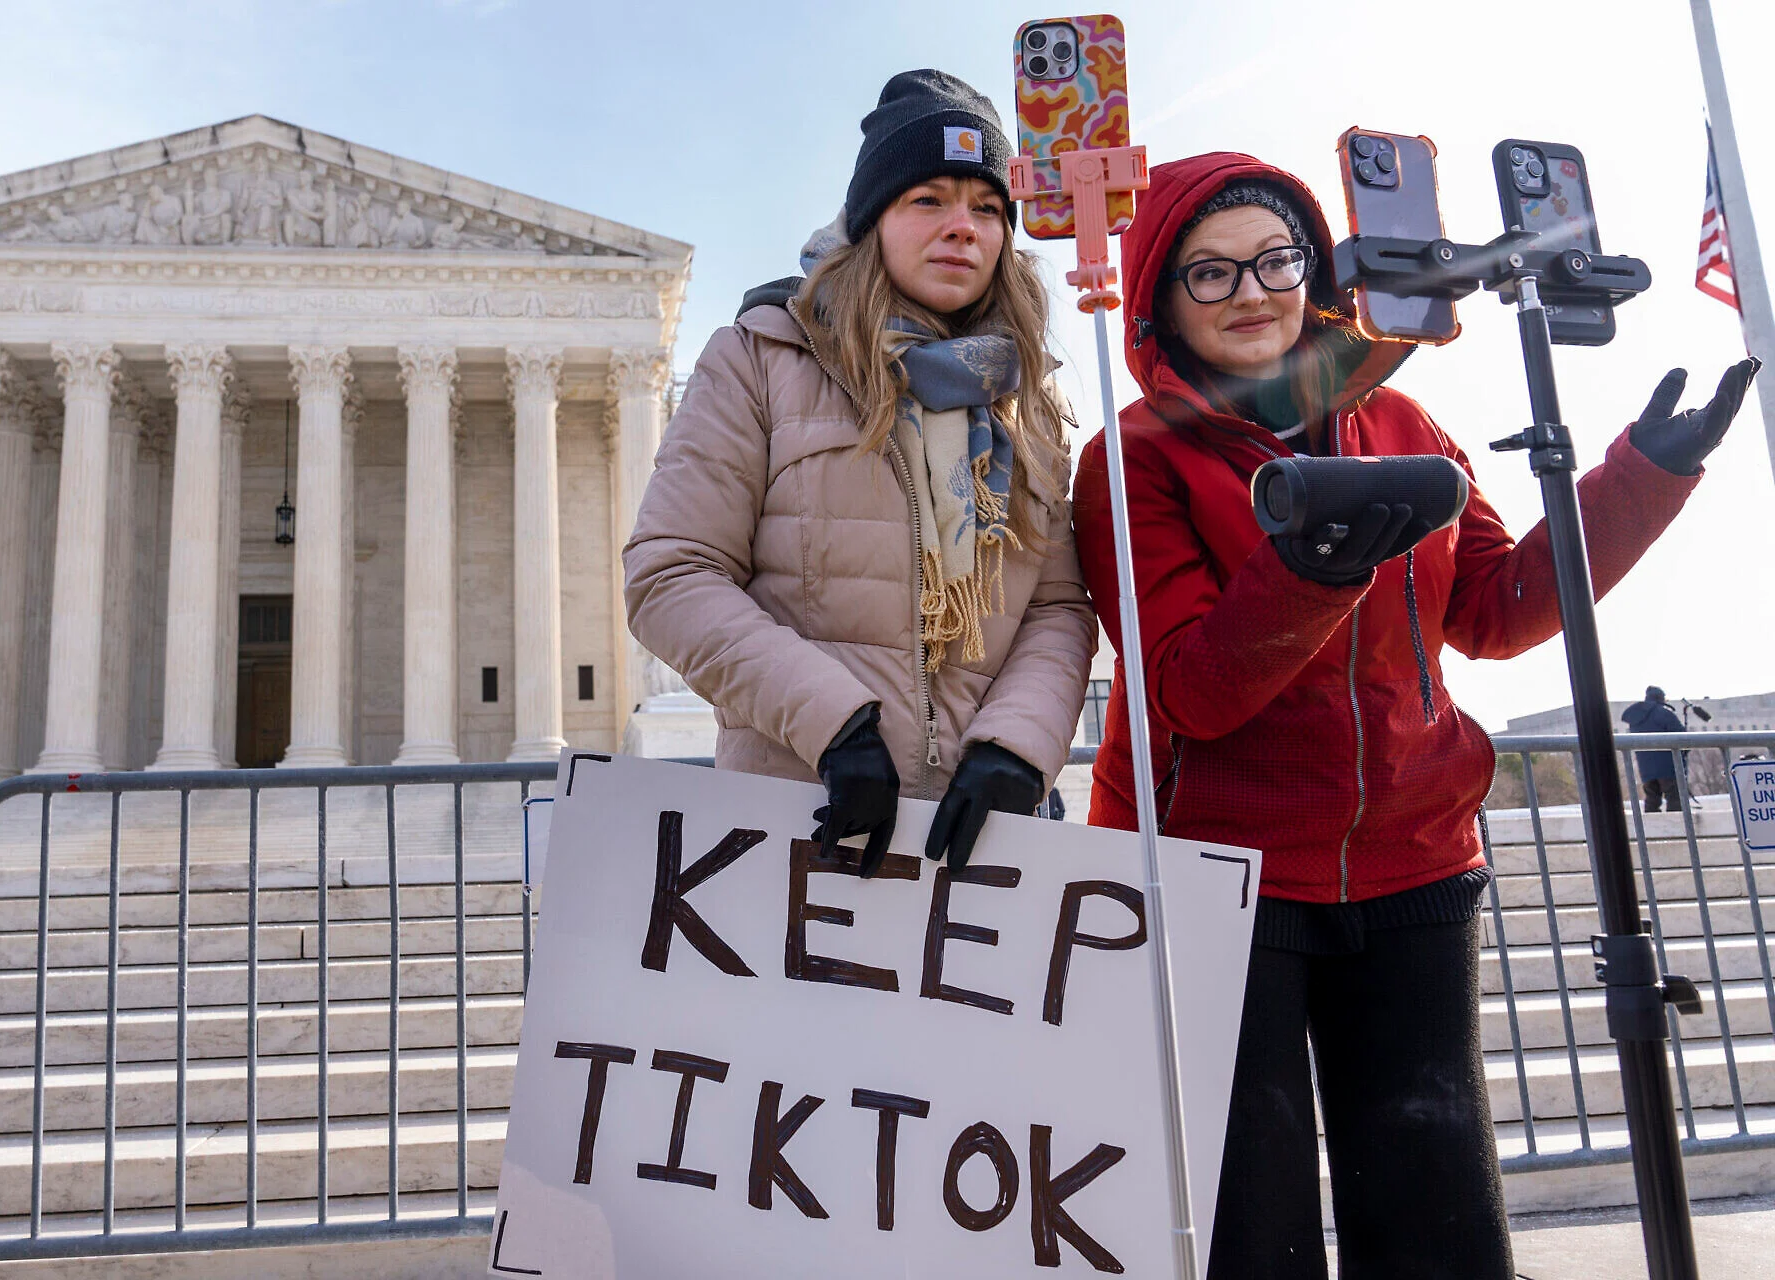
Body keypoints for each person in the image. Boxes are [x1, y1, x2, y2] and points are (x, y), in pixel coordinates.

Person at [1074, 152, 1758, 1279]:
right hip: (1219, 880)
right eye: (1206, 273)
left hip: (1415, 862)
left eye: (1272, 258)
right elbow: (1188, 689)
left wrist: (1639, 477)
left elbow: (1496, 610)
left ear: (1311, 269)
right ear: (1155, 297)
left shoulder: (1397, 415)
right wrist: (1314, 563)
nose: (1249, 292)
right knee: (1254, 1229)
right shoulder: (1132, 458)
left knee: (1436, 1223)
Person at [625, 69, 1096, 873]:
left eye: (987, 208)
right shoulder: (761, 358)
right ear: (872, 220)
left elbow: (1057, 608)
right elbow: (672, 576)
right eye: (928, 200)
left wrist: (1018, 747)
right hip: (801, 819)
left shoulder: (1025, 400)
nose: (963, 227)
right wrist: (835, 724)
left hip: (984, 846)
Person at [1623, 685, 1688, 811]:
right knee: (1675, 798)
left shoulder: (1636, 717)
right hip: (1668, 766)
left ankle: (1651, 829)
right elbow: (1682, 737)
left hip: (1646, 769)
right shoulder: (1664, 713)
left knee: (1652, 799)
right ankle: (1677, 827)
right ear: (1661, 698)